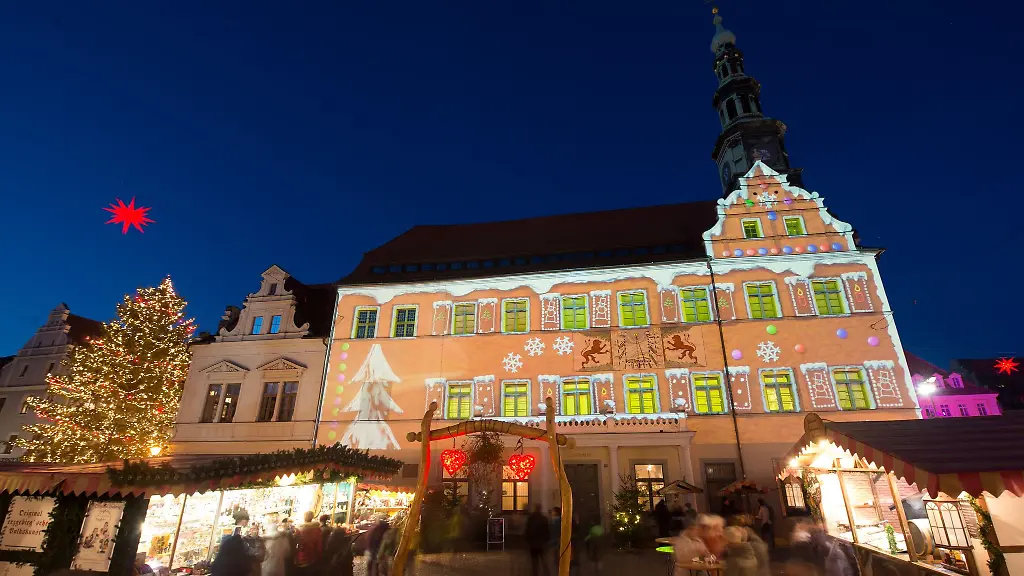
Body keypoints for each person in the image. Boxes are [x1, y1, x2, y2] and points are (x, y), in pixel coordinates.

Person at [525, 504, 551, 576]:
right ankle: (546, 573)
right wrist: (547, 539)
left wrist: (527, 540)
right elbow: (547, 530)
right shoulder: (544, 519)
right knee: (544, 559)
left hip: (533, 542)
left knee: (534, 561)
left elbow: (528, 530)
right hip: (542, 542)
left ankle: (535, 573)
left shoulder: (531, 518)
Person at [295, 511, 323, 576]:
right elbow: (319, 545)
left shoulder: (299, 529)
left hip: (300, 555)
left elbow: (296, 543)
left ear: (304, 518)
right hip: (312, 554)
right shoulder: (317, 529)